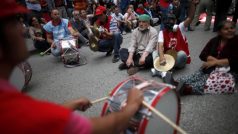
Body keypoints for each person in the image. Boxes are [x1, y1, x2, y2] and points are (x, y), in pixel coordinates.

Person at [0, 1, 144, 134]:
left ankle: (117, 53)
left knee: (117, 38)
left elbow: (45, 118)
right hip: (79, 42)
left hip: (110, 37)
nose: (22, 28)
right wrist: (131, 106)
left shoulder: (9, 98)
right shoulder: (13, 111)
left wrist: (70, 105)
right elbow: (105, 127)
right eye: (14, 22)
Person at [177, 21, 238, 95]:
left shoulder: (236, 41)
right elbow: (203, 54)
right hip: (211, 68)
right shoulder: (214, 40)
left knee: (208, 82)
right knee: (194, 76)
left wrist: (215, 62)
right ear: (219, 32)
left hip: (229, 71)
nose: (230, 30)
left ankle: (187, 89)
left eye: (232, 28)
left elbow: (235, 60)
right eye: (226, 29)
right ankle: (176, 83)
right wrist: (212, 59)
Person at [151, 0, 198, 80]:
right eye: (166, 20)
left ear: (175, 21)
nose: (168, 22)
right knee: (155, 52)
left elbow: (190, 18)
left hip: (177, 57)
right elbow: (160, 46)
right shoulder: (162, 32)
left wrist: (193, 4)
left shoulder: (180, 28)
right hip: (166, 57)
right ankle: (165, 71)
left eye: (171, 20)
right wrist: (162, 57)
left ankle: (160, 70)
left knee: (182, 55)